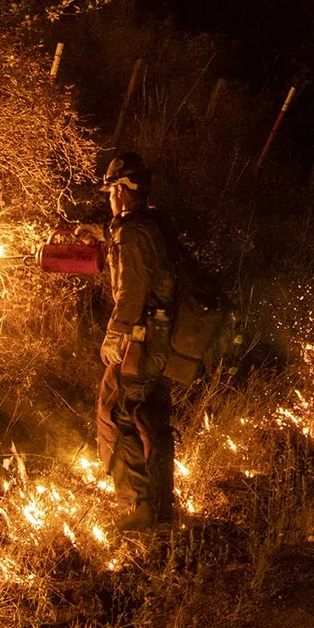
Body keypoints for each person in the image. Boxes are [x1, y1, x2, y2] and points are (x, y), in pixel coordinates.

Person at [94, 152, 178, 531]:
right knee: (149, 419)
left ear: (124, 190)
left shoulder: (130, 232)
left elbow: (132, 288)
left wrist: (115, 333)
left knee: (122, 416)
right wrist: (95, 235)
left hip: (140, 339)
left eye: (112, 189)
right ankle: (160, 511)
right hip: (158, 338)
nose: (109, 197)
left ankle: (137, 512)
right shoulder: (150, 224)